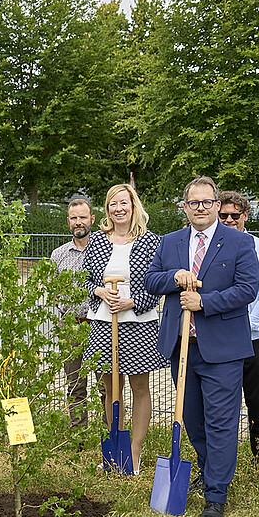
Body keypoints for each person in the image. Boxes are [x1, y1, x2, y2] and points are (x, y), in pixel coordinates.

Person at [146, 176, 259, 517]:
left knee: (221, 423)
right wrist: (175, 276)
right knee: (193, 421)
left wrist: (204, 302)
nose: (201, 208)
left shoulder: (238, 242)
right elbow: (151, 280)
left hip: (223, 349)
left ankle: (216, 494)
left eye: (207, 203)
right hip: (183, 348)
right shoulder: (170, 242)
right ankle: (212, 472)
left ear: (216, 204)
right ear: (185, 206)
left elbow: (248, 289)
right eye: (194, 203)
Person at [82, 183, 166, 475]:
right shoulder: (97, 241)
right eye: (112, 204)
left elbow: (157, 286)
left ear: (134, 206)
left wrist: (132, 302)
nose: (118, 209)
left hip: (138, 323)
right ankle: (115, 448)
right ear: (107, 210)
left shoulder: (150, 241)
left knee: (138, 387)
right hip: (104, 322)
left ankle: (134, 452)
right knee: (109, 386)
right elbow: (85, 280)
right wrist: (100, 292)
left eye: (123, 203)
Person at [217, 191, 259, 465]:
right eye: (224, 215)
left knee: (257, 402)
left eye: (235, 215)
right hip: (220, 340)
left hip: (254, 339)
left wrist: (247, 327)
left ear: (246, 216)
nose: (229, 219)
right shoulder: (211, 250)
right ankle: (221, 459)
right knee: (221, 406)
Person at [49, 198, 106, 429]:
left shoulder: (106, 250)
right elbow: (52, 291)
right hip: (71, 326)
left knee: (106, 385)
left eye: (83, 217)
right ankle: (78, 433)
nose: (78, 222)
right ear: (68, 222)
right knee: (75, 384)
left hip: (100, 324)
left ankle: (109, 432)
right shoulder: (59, 255)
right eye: (74, 218)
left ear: (92, 219)